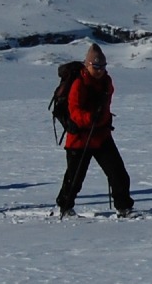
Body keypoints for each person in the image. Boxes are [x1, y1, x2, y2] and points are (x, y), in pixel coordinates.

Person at [54, 44, 136, 218]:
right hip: (79, 137)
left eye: (103, 67)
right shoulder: (78, 84)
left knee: (118, 173)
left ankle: (124, 207)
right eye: (96, 66)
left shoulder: (106, 82)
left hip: (101, 135)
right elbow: (74, 111)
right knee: (74, 178)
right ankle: (65, 206)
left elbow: (106, 107)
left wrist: (102, 119)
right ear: (87, 65)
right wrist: (91, 118)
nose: (99, 70)